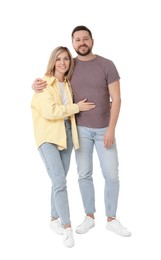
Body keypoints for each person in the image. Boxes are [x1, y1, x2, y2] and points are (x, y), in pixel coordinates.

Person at [32, 26, 131, 237]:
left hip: (104, 128)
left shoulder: (107, 65)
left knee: (111, 175)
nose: (82, 42)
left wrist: (112, 129)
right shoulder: (70, 66)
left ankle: (112, 219)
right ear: (73, 43)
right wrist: (36, 84)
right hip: (79, 130)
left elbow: (118, 99)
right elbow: (52, 78)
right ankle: (89, 217)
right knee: (84, 175)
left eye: (85, 39)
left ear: (92, 41)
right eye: (77, 40)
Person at [31, 46, 95, 248]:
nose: (62, 62)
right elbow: (50, 112)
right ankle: (67, 227)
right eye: (58, 59)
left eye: (66, 59)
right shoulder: (43, 83)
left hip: (67, 133)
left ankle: (53, 219)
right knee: (59, 180)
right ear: (53, 61)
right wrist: (76, 108)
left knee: (59, 179)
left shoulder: (68, 84)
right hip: (48, 136)